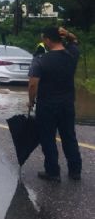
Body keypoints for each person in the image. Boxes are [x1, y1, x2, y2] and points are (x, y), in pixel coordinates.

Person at [27, 26, 81, 182]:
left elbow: (33, 84)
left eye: (44, 38)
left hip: (47, 105)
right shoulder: (72, 54)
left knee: (48, 138)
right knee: (69, 136)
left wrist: (31, 101)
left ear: (48, 40)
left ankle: (53, 172)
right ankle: (75, 171)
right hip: (67, 104)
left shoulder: (41, 59)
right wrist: (69, 33)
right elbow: (75, 41)